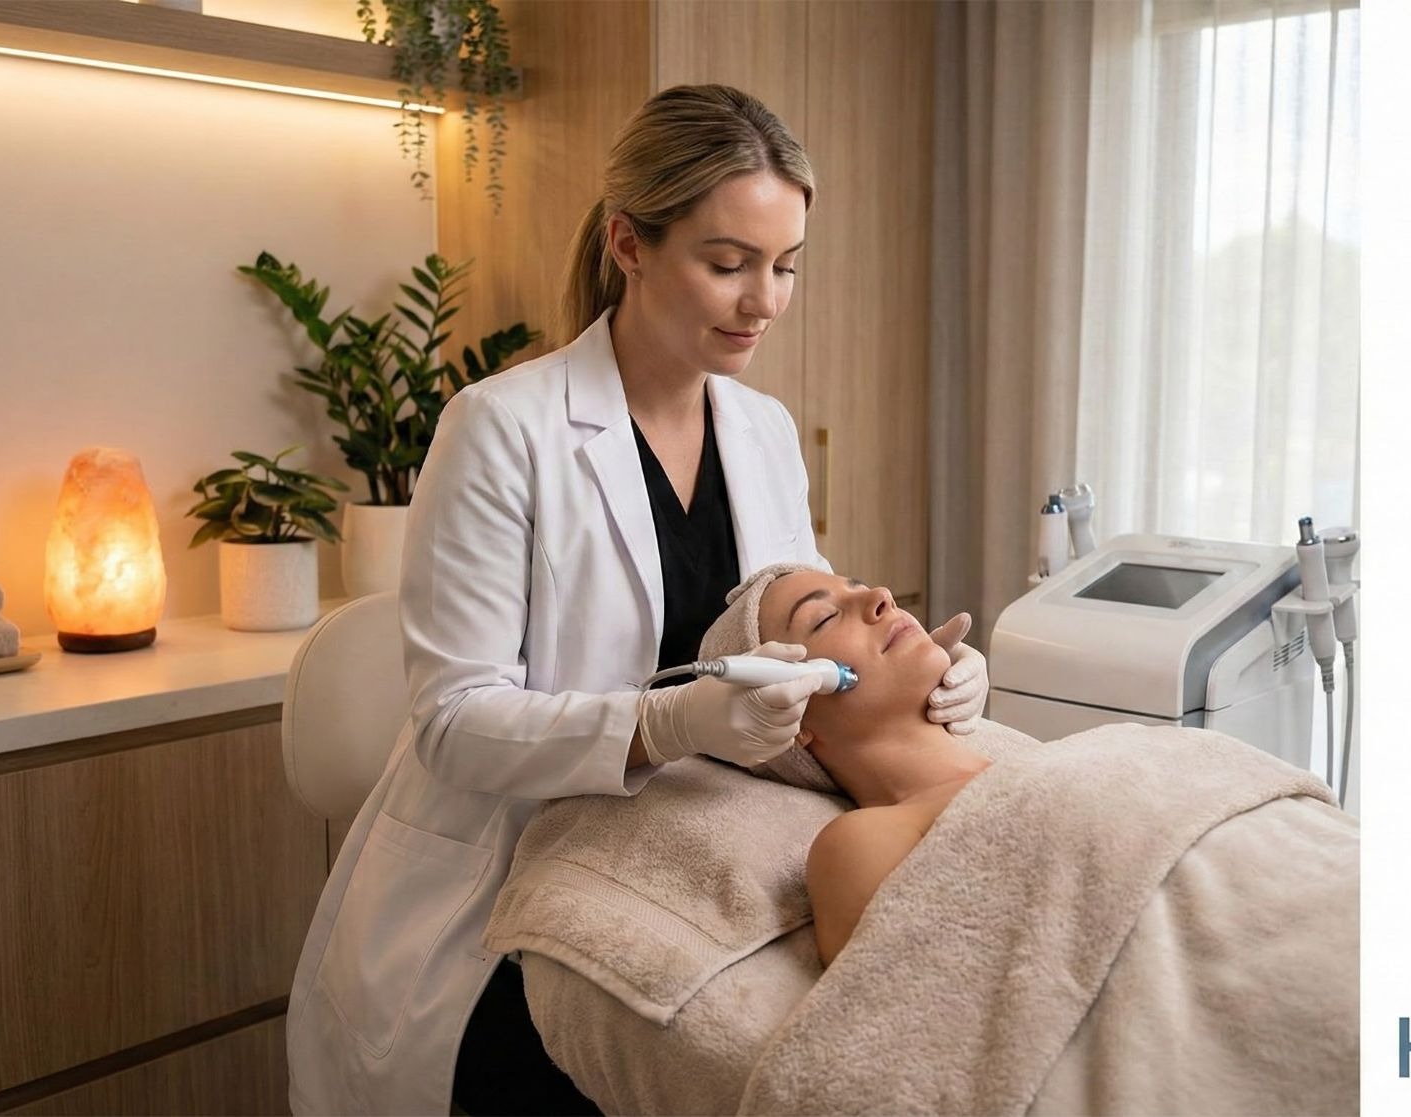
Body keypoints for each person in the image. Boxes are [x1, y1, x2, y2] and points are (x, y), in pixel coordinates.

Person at [284, 86, 989, 1116]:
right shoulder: (501, 429)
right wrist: (667, 723)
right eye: (728, 263)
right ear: (629, 244)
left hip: (704, 863)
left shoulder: (762, 430)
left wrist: (932, 679)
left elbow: (804, 639)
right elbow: (453, 723)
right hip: (514, 892)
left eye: (785, 265)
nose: (764, 301)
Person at [696, 563, 995, 967]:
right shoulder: (864, 843)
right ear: (789, 717)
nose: (882, 595)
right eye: (824, 618)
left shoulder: (1034, 764)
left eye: (862, 587)